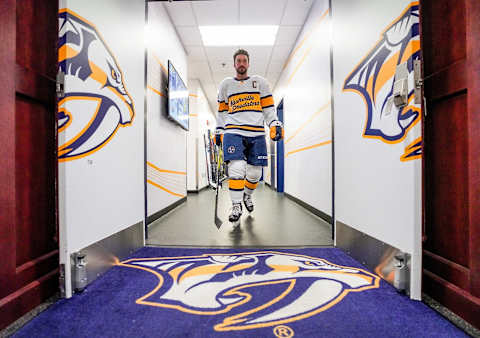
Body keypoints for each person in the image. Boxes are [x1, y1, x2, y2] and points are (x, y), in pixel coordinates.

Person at [215, 49, 284, 226]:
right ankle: (236, 206)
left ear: (248, 63)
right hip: (233, 130)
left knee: (255, 173)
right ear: (234, 64)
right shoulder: (226, 85)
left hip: (257, 132)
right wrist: (219, 130)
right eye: (238, 61)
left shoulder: (260, 83)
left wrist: (275, 124)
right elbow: (222, 112)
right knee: (237, 169)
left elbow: (268, 109)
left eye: (244, 60)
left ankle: (246, 195)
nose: (241, 63)